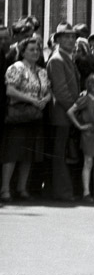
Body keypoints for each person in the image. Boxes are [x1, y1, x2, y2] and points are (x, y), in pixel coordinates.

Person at [1, 37, 51, 201]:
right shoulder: (16, 68)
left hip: (35, 116)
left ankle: (22, 188)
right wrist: (31, 100)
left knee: (28, 154)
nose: (36, 52)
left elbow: (48, 90)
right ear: (22, 52)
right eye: (31, 49)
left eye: (37, 49)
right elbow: (10, 90)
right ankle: (5, 189)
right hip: (19, 116)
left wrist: (46, 99)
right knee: (13, 153)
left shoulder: (42, 71)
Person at [46, 23, 82, 201]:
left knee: (64, 153)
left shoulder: (67, 57)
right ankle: (62, 192)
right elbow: (60, 90)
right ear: (58, 39)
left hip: (67, 114)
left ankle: (62, 190)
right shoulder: (57, 59)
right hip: (62, 115)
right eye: (66, 37)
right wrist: (74, 110)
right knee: (59, 154)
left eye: (73, 37)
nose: (70, 40)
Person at [67, 72, 94, 203]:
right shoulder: (85, 98)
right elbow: (71, 111)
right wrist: (80, 126)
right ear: (92, 87)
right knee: (88, 162)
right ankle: (86, 192)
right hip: (90, 134)